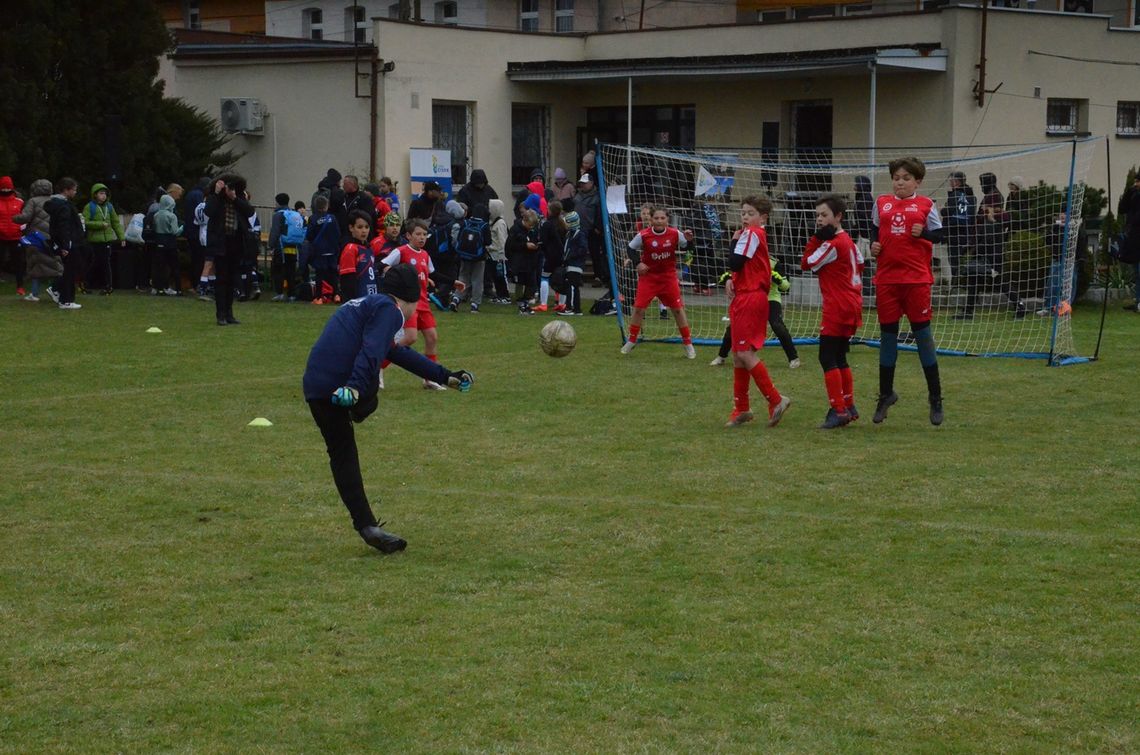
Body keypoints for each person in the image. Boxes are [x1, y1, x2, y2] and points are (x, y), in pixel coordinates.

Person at [303, 263, 475, 554]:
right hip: (341, 384)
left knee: (343, 455)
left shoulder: (368, 304)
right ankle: (358, 405)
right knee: (366, 400)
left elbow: (397, 353)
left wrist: (445, 375)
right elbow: (371, 350)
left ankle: (367, 526)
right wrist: (356, 388)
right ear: (410, 299)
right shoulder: (390, 310)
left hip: (315, 387)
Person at [870, 157, 945, 426]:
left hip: (916, 281)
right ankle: (886, 395)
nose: (900, 182)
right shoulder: (881, 203)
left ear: (918, 181)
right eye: (896, 178)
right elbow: (876, 231)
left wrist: (923, 233)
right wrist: (874, 246)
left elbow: (940, 235)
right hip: (888, 281)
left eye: (906, 178)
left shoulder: (926, 205)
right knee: (888, 338)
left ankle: (935, 398)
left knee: (923, 337)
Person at [724, 196, 791, 428]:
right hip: (747, 295)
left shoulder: (751, 234)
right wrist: (732, 280)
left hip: (750, 297)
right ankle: (741, 409)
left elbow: (735, 261)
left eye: (750, 213)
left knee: (745, 354)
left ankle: (776, 399)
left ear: (763, 217)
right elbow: (742, 267)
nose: (745, 217)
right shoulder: (752, 235)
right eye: (743, 212)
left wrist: (732, 242)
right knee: (739, 354)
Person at [802, 195, 864, 429]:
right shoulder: (848, 240)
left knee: (826, 356)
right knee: (839, 355)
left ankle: (838, 410)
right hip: (852, 301)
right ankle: (848, 405)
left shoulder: (832, 243)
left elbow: (806, 262)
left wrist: (817, 239)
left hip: (838, 304)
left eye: (824, 215)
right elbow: (860, 262)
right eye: (817, 215)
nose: (819, 219)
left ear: (838, 217)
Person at [378, 219, 447, 389]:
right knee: (410, 337)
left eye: (425, 234)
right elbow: (382, 264)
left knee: (432, 337)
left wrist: (453, 282)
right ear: (408, 236)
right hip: (409, 303)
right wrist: (392, 272)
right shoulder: (401, 251)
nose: (422, 238)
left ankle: (429, 379)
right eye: (418, 234)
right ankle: (377, 365)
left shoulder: (425, 255)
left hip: (424, 303)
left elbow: (433, 273)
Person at [619, 206, 696, 357]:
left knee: (678, 310)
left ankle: (688, 343)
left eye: (663, 218)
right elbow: (630, 248)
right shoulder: (644, 235)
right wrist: (638, 263)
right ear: (651, 220)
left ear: (667, 219)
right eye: (656, 218)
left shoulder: (675, 233)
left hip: (668, 277)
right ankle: (632, 340)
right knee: (639, 308)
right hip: (649, 277)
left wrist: (689, 241)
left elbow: (688, 248)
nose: (659, 221)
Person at [955, 201, 1026, 320]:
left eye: (985, 206)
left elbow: (984, 242)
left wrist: (972, 250)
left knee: (1000, 283)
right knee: (974, 283)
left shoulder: (993, 225)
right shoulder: (990, 224)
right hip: (987, 259)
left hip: (990, 261)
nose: (982, 208)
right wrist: (967, 249)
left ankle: (1020, 305)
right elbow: (978, 240)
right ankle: (967, 311)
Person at [203, 173, 254, 325]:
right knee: (221, 279)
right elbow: (209, 211)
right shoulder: (215, 198)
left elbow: (249, 211)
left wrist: (235, 198)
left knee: (232, 278)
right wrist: (218, 193)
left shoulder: (238, 198)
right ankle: (221, 314)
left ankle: (229, 313)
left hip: (236, 242)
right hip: (221, 242)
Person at [13, 179, 57, 302]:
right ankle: (56, 289)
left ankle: (34, 293)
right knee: (54, 263)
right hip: (52, 236)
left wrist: (14, 217)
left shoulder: (33, 201)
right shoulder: (54, 201)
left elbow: (25, 217)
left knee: (35, 263)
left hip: (36, 237)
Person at [44, 177, 85, 310]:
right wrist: (65, 245)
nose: (75, 192)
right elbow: (63, 227)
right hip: (68, 243)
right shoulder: (64, 206)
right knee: (71, 270)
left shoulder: (59, 205)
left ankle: (56, 289)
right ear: (66, 190)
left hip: (66, 242)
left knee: (71, 269)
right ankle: (66, 299)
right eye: (74, 190)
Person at [450, 203, 491, 313]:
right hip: (479, 257)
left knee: (463, 277)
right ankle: (475, 304)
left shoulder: (466, 222)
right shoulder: (484, 225)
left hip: (464, 256)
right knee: (477, 280)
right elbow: (488, 242)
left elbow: (459, 239)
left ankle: (456, 298)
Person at [304, 194, 343, 305]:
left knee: (319, 274)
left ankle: (319, 297)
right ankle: (336, 294)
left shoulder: (313, 218)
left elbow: (309, 235)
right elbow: (338, 233)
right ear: (327, 206)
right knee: (333, 273)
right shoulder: (332, 218)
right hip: (332, 250)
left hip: (319, 250)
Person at [268, 193, 305, 301]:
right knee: (291, 271)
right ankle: (292, 294)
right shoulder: (293, 214)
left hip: (281, 246)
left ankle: (279, 293)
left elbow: (275, 232)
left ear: (278, 203)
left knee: (278, 270)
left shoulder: (278, 215)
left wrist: (271, 246)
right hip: (293, 247)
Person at [941, 170, 976, 284]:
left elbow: (948, 212)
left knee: (954, 259)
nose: (950, 183)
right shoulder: (971, 196)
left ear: (956, 181)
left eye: (951, 180)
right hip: (967, 231)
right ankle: (963, 282)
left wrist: (942, 210)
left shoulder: (955, 195)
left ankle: (956, 284)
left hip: (954, 232)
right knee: (963, 258)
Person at [337, 210, 378, 300]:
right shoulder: (350, 249)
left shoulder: (369, 249)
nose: (364, 231)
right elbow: (347, 280)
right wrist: (352, 301)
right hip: (359, 300)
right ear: (351, 228)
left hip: (372, 298)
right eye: (360, 227)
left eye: (366, 227)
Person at [506, 208, 541, 314]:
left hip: (531, 260)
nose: (531, 227)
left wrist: (536, 246)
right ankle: (520, 302)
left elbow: (537, 240)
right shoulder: (515, 229)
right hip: (519, 261)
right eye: (530, 225)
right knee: (519, 282)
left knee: (531, 281)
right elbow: (510, 246)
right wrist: (524, 245)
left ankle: (526, 300)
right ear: (524, 220)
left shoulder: (533, 230)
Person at [574, 173, 606, 285]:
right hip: (579, 228)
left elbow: (600, 213)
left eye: (585, 183)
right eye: (581, 183)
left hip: (592, 229)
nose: (582, 185)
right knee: (579, 252)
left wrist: (598, 227)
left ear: (591, 183)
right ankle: (578, 275)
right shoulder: (577, 195)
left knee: (595, 253)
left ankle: (598, 276)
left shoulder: (598, 196)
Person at [536, 200, 566, 312]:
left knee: (544, 277)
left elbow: (543, 241)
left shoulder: (547, 224)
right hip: (561, 255)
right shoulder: (563, 224)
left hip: (550, 255)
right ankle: (562, 303)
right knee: (561, 278)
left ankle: (543, 303)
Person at [152, 193, 182, 295]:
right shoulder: (172, 216)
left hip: (159, 241)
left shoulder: (156, 215)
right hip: (170, 242)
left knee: (160, 266)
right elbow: (175, 231)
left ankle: (159, 288)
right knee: (174, 266)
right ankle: (178, 289)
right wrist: (183, 228)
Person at [559, 210, 588, 316]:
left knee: (572, 285)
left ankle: (570, 308)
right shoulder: (569, 234)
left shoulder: (580, 234)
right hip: (570, 264)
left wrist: (571, 255)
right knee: (572, 285)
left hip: (576, 265)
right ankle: (576, 308)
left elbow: (583, 249)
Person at [0, 177, 26, 296]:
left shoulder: (19, 202)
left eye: (7, 187)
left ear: (12, 188)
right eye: (3, 188)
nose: (5, 190)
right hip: (1, 236)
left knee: (19, 263)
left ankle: (20, 286)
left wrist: (22, 227)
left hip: (16, 237)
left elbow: (25, 217)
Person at [1119, 173, 1140, 312]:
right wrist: (1129, 191)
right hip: (1134, 238)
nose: (1136, 184)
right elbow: (1122, 209)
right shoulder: (1133, 194)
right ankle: (1138, 301)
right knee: (1137, 272)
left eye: (1138, 181)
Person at [486, 199, 511, 304]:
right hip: (492, 255)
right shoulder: (492, 222)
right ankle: (500, 295)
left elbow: (502, 241)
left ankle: (505, 295)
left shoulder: (500, 223)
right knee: (495, 276)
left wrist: (502, 255)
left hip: (499, 255)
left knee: (501, 276)